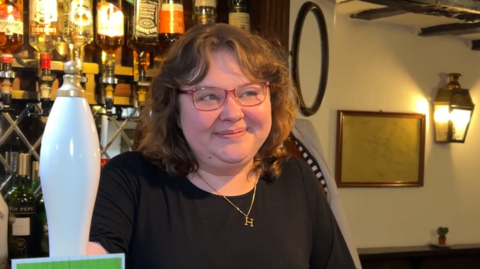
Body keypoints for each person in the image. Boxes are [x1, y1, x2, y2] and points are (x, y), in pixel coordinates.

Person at [88, 23, 356, 269]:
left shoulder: (296, 179)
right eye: (209, 96)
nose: (233, 112)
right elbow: (91, 254)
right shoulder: (130, 180)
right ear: (174, 111)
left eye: (249, 92)